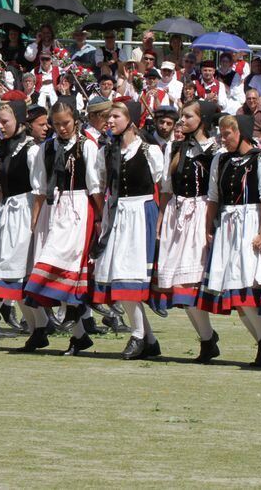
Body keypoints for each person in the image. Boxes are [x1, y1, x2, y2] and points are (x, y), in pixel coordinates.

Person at [199, 114, 261, 366]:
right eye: (221, 134)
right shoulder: (219, 160)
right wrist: (207, 228)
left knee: (246, 289)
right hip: (227, 225)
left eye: (228, 134)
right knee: (235, 292)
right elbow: (213, 196)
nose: (223, 139)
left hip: (250, 221)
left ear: (241, 132)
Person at [25, 100, 102, 354]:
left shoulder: (87, 146)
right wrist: (35, 219)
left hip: (79, 208)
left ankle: (75, 327)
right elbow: (39, 187)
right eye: (56, 124)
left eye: (66, 123)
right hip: (54, 208)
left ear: (76, 121)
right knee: (49, 267)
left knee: (67, 268)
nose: (61, 128)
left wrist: (101, 218)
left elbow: (94, 186)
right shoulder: (45, 148)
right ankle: (78, 334)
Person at [90, 101, 164, 360]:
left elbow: (158, 186)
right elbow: (101, 185)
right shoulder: (106, 152)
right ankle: (147, 338)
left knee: (129, 277)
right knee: (121, 277)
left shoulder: (149, 151)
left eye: (116, 116)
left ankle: (139, 336)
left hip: (140, 213)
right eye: (109, 116)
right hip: (118, 215)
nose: (110, 120)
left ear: (131, 119)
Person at [154, 101, 220, 362]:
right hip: (177, 214)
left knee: (190, 285)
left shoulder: (215, 149)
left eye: (188, 116)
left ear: (202, 120)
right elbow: (167, 188)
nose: (182, 120)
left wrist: (212, 224)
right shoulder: (175, 147)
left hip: (200, 214)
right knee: (179, 287)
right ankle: (207, 339)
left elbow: (216, 192)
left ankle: (260, 339)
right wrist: (161, 220)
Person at [0, 92, 41, 347]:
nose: (0, 125)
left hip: (24, 213)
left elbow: (39, 190)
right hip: (6, 212)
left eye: (5, 121)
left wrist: (33, 224)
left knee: (16, 274)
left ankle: (40, 327)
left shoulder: (31, 149)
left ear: (18, 120)